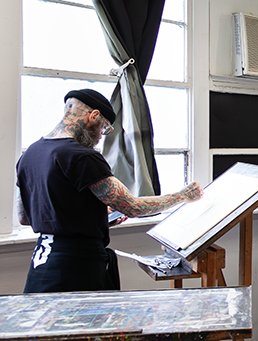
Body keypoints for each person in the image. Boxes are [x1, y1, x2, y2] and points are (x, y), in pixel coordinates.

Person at [17, 89, 203, 293]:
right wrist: (182, 196)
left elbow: (25, 217)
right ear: (94, 116)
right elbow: (133, 207)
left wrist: (96, 218)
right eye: (104, 129)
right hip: (76, 266)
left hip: (42, 262)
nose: (99, 138)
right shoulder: (81, 156)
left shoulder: (30, 154)